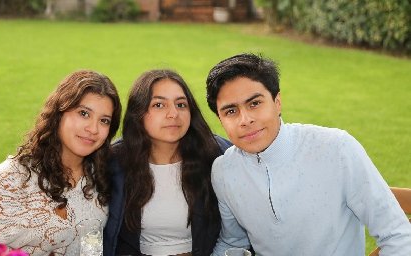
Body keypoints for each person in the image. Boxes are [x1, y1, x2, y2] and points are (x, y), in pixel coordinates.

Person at [205, 53, 411, 255]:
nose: (245, 119)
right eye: (231, 111)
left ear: (277, 102)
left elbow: (397, 236)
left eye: (255, 103)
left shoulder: (336, 149)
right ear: (220, 119)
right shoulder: (223, 171)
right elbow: (233, 242)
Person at [0, 70, 122, 255]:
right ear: (59, 113)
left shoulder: (102, 177)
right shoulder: (12, 179)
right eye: (83, 113)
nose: (93, 129)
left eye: (104, 120)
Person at [103, 69, 232, 256]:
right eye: (159, 105)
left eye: (181, 104)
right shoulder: (114, 162)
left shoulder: (219, 154)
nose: (174, 114)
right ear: (138, 112)